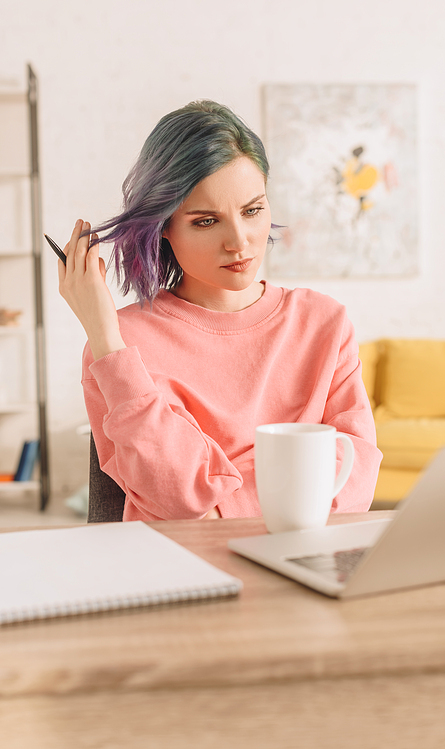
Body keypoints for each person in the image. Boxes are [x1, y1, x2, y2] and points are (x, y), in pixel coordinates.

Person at [58, 100, 382, 521]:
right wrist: (104, 338)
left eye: (252, 211)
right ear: (164, 228)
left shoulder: (324, 323)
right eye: (206, 221)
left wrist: (221, 506)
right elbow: (175, 497)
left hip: (304, 563)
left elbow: (357, 475)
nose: (240, 242)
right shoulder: (118, 344)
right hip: (185, 575)